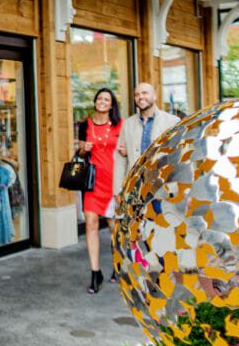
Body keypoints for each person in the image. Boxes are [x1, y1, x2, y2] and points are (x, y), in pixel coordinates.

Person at [77, 88, 123, 294]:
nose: (102, 102)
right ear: (95, 102)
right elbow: (79, 151)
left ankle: (118, 265)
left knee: (114, 226)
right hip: (93, 183)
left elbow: (127, 149)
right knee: (91, 225)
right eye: (99, 98)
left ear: (111, 105)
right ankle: (95, 272)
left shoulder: (121, 125)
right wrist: (83, 149)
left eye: (107, 99)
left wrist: (126, 151)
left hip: (114, 183)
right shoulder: (85, 125)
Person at [113, 81, 180, 206]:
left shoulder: (172, 122)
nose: (140, 97)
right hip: (136, 188)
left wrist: (184, 187)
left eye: (144, 93)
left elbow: (182, 156)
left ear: (155, 96)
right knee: (138, 225)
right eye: (137, 94)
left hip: (164, 187)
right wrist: (118, 190)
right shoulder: (128, 124)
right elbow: (121, 160)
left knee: (165, 223)